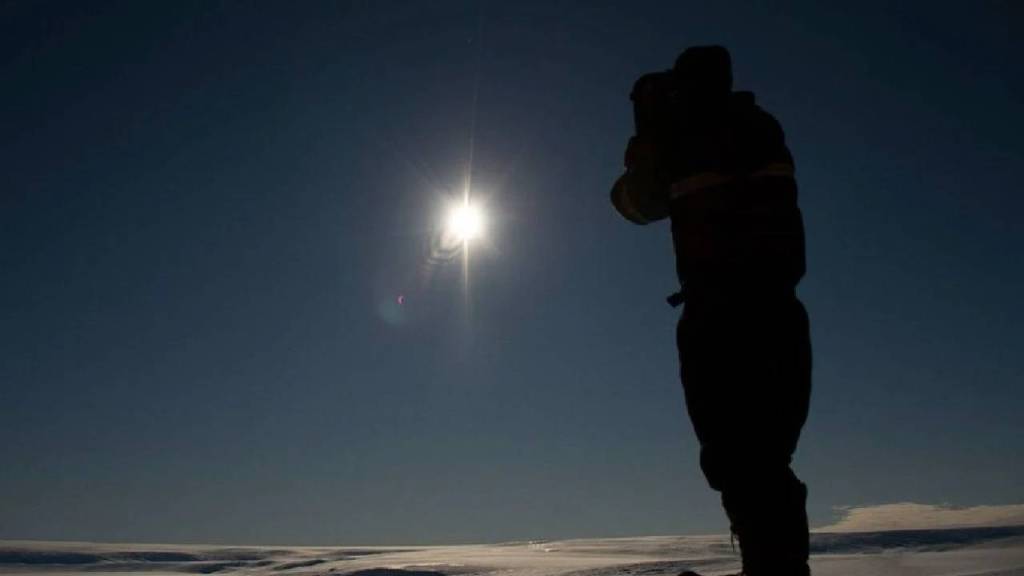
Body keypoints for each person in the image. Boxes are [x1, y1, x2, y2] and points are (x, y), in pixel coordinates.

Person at [611, 46, 812, 576]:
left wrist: (645, 142)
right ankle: (779, 565)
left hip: (721, 314)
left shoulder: (684, 137)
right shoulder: (762, 126)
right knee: (767, 459)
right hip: (781, 311)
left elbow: (635, 203)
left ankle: (771, 567)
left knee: (738, 459)